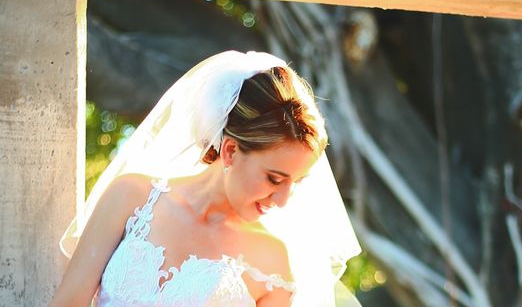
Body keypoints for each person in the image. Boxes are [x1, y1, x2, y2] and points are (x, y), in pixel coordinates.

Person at [51, 51, 361, 307]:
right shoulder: (131, 197)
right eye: (274, 179)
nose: (282, 199)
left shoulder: (273, 260)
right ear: (229, 151)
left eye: (297, 182)